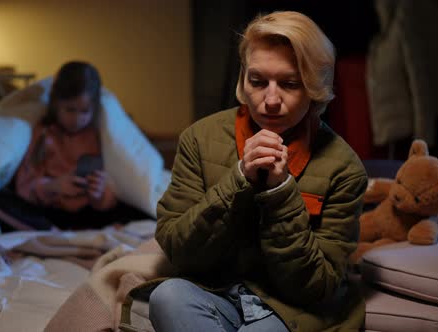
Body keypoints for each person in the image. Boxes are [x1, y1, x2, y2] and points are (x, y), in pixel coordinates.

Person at [148, 11, 368, 332]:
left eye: (290, 84)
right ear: (243, 80)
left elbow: (317, 287)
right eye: (258, 81)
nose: (271, 100)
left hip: (289, 309)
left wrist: (281, 194)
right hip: (216, 292)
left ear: (314, 88)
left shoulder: (344, 168)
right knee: (167, 296)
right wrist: (238, 180)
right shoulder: (200, 138)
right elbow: (177, 250)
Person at [0, 61, 148, 231]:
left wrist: (99, 195)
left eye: (85, 111)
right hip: (52, 211)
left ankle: (61, 232)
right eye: (70, 110)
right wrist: (54, 185)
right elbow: (25, 187)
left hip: (90, 212)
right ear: (56, 104)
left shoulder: (98, 135)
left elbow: (115, 187)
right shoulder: (43, 134)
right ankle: (50, 231)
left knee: (147, 211)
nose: (77, 119)